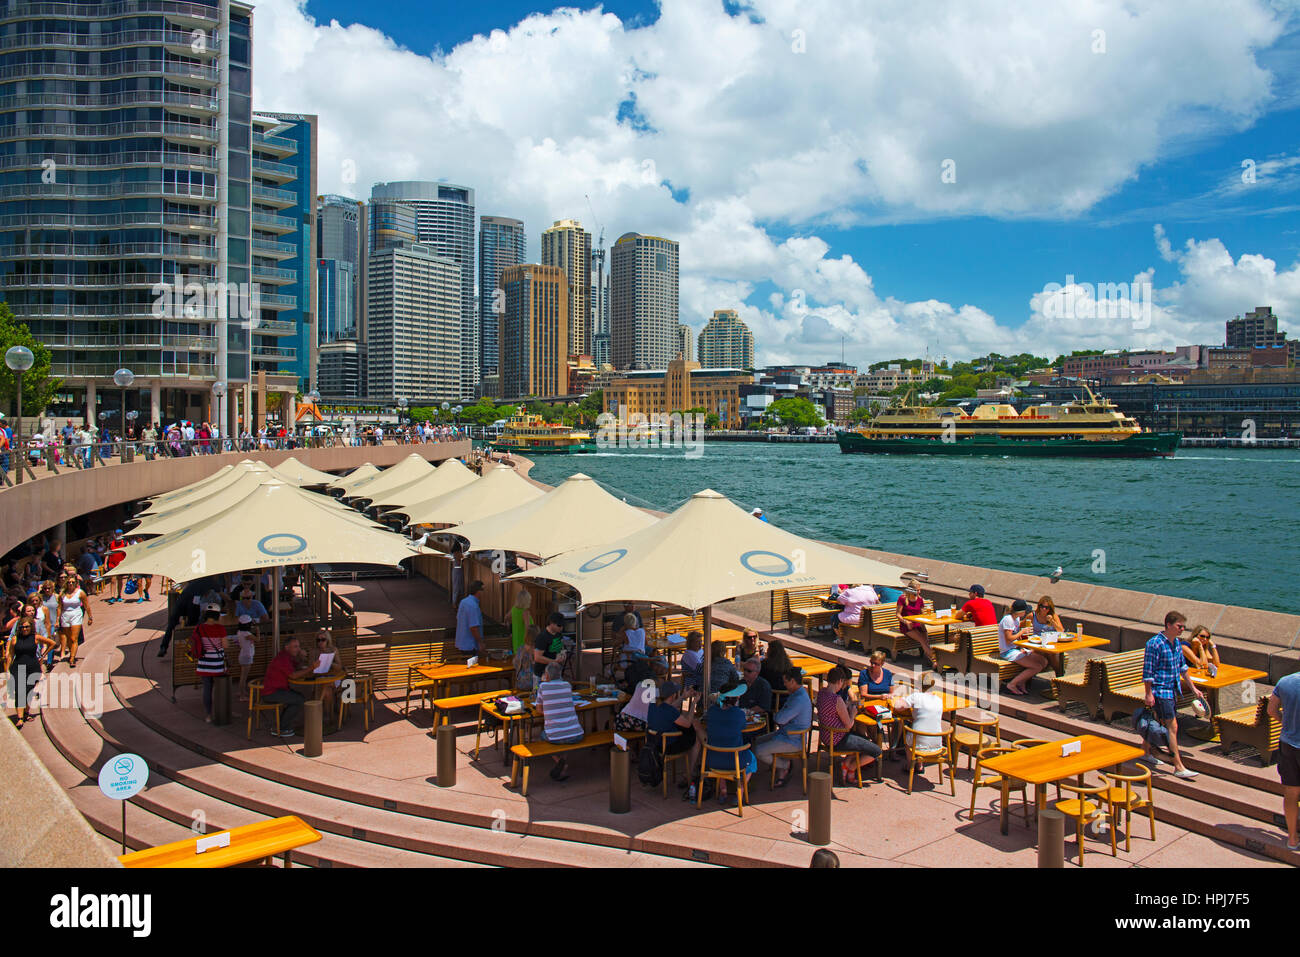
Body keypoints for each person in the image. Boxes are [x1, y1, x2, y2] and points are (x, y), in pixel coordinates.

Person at [1140, 611, 1207, 779]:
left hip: (1171, 689)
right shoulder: (1154, 644)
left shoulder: (1177, 643)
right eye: (1179, 626)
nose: (1182, 629)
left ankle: (1146, 751)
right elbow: (1148, 672)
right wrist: (1148, 693)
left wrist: (1193, 688)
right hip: (1160, 690)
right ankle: (1178, 765)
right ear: (1168, 625)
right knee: (1173, 726)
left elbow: (1182, 668)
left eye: (1183, 626)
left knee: (1156, 721)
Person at [817, 666, 880, 781]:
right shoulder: (836, 699)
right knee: (876, 751)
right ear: (840, 681)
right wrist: (853, 713)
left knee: (861, 739)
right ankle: (851, 766)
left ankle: (846, 765)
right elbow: (849, 725)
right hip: (838, 739)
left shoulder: (821, 693)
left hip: (826, 736)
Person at [753, 668, 813, 788]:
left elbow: (779, 719)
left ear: (793, 681)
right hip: (786, 733)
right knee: (756, 742)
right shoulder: (797, 694)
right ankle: (782, 766)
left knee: (758, 750)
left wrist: (779, 716)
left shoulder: (798, 699)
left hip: (793, 740)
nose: (784, 684)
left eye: (785, 681)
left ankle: (785, 766)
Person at [704, 680, 757, 806]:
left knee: (722, 748)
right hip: (735, 761)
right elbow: (743, 727)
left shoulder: (711, 712)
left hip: (712, 760)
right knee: (752, 759)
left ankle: (723, 790)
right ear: (735, 699)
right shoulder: (738, 714)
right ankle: (741, 792)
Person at [648, 680, 703, 797]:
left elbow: (670, 708)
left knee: (695, 727)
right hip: (668, 746)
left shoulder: (654, 706)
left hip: (655, 744)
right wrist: (694, 703)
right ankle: (690, 772)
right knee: (696, 736)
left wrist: (683, 697)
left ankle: (691, 771)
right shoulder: (670, 711)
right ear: (673, 695)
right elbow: (687, 723)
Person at [1266, 670, 1300, 850]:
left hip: (1288, 744)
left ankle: (1292, 839)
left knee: (1291, 792)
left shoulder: (1285, 681)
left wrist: (1286, 723)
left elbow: (1271, 710)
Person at [534, 661, 584, 781]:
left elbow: (539, 709)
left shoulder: (543, 687)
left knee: (542, 736)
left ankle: (559, 761)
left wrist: (551, 712)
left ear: (547, 675)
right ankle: (563, 759)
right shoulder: (567, 685)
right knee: (567, 736)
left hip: (554, 736)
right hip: (576, 734)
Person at [5, 616, 54, 728]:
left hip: (33, 667)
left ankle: (26, 712)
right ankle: (20, 718)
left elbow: (52, 643)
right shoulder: (15, 639)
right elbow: (11, 655)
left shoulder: (35, 637)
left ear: (31, 627)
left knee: (28, 691)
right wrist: (7, 670)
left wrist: (43, 655)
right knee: (20, 692)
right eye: (22, 627)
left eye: (27, 626)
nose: (24, 629)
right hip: (18, 667)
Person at [261, 636, 314, 737]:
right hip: (271, 692)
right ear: (287, 647)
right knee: (299, 699)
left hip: (278, 689)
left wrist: (301, 658)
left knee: (298, 697)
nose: (298, 649)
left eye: (298, 647)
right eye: (295, 647)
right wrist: (312, 668)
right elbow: (293, 675)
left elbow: (297, 667)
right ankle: (282, 728)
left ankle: (283, 724)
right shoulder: (283, 658)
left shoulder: (287, 657)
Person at [999, 599, 1047, 696]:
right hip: (1008, 651)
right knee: (1036, 667)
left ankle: (1022, 681)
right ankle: (1011, 684)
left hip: (1016, 648)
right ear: (1021, 612)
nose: (1026, 613)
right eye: (1025, 611)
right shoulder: (1008, 620)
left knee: (1043, 661)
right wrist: (1022, 632)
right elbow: (1008, 639)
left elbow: (1015, 636)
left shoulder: (1016, 619)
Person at [190, 606, 229, 723]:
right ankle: (221, 712)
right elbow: (225, 645)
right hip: (217, 663)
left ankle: (208, 714)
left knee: (207, 689)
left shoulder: (199, 628)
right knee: (219, 689)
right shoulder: (220, 628)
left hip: (204, 663)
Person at [891, 671, 945, 757]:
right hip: (937, 741)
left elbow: (898, 707)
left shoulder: (916, 696)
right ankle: (919, 764)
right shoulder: (939, 700)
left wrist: (900, 698)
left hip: (918, 739)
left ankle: (910, 765)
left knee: (907, 733)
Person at [895, 582, 937, 667]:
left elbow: (922, 614)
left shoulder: (920, 600)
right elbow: (898, 614)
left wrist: (924, 625)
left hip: (918, 624)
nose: (918, 592)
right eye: (916, 590)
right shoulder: (903, 599)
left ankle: (930, 658)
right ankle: (935, 661)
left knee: (926, 641)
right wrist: (905, 622)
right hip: (907, 626)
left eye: (919, 590)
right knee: (922, 640)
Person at [57, 575, 91, 667]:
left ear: (76, 583)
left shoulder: (80, 593)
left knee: (73, 638)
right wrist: (57, 620)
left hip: (76, 614)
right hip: (65, 615)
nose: (70, 584)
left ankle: (72, 658)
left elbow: (86, 605)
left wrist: (90, 617)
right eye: (69, 582)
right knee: (68, 639)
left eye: (72, 582)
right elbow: (59, 607)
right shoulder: (62, 594)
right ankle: (72, 652)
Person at [832, 582, 879, 646]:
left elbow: (839, 601)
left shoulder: (849, 592)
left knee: (834, 618)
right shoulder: (870, 589)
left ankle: (841, 639)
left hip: (856, 618)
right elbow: (877, 601)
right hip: (869, 618)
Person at [454, 580, 485, 660]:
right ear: (478, 591)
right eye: (483, 590)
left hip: (462, 644)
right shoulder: (473, 606)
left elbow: (458, 618)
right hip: (470, 646)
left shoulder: (463, 602)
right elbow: (473, 627)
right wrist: (480, 643)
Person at [532, 612, 567, 679]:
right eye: (559, 625)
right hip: (541, 674)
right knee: (538, 689)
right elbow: (537, 657)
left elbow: (561, 648)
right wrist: (554, 661)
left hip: (556, 672)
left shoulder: (559, 635)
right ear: (551, 623)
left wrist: (563, 654)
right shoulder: (542, 637)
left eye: (563, 625)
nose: (561, 628)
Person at [512, 629, 537, 694]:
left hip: (522, 684)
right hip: (536, 684)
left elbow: (515, 664)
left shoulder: (521, 649)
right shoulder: (539, 649)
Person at [510, 589, 533, 654]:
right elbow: (527, 629)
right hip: (524, 643)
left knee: (518, 660)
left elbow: (506, 617)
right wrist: (527, 643)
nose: (530, 601)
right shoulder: (525, 612)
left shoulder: (513, 609)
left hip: (516, 641)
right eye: (529, 599)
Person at [449, 541, 465, 610]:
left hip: (456, 570)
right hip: (458, 571)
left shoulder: (454, 553)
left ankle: (456, 603)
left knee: (458, 587)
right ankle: (455, 603)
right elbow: (461, 559)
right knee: (457, 588)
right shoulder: (457, 553)